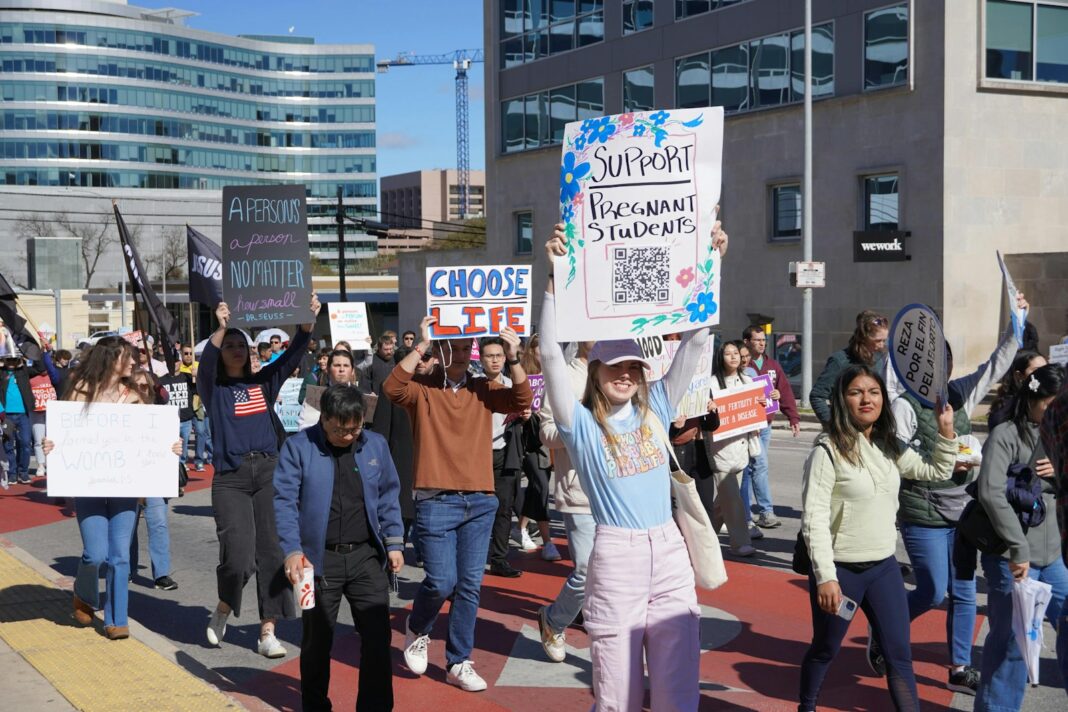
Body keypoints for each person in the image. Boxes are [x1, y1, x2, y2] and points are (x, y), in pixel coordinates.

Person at [539, 221, 721, 711]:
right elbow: (550, 357)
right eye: (614, 364)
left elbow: (698, 340)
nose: (625, 373)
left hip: (669, 550)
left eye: (633, 366)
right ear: (595, 370)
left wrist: (711, 265)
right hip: (616, 553)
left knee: (679, 688)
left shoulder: (657, 406)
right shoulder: (579, 424)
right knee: (616, 693)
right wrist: (554, 281)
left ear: (643, 373)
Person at [385, 317, 531, 692]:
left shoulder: (484, 388)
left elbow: (521, 400)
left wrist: (514, 358)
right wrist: (421, 344)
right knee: (441, 580)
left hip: (480, 500)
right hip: (435, 501)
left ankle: (459, 661)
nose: (464, 355)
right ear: (441, 350)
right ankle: (418, 627)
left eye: (469, 348)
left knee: (469, 586)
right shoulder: (423, 389)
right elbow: (391, 387)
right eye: (456, 348)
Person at [800, 363, 956, 711]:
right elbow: (814, 519)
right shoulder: (826, 451)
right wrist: (826, 578)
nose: (866, 399)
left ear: (883, 399)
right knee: (825, 649)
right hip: (842, 574)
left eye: (873, 392)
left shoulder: (889, 446)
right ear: (842, 400)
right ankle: (806, 707)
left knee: (899, 655)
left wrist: (946, 432)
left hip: (884, 568)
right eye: (856, 392)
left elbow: (936, 471)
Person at [890, 301, 1026, 692]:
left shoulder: (960, 392)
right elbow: (900, 459)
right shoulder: (903, 405)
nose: (939, 368)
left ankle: (959, 667)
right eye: (932, 361)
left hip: (963, 511)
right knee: (932, 591)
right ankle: (885, 632)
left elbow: (994, 367)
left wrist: (1016, 328)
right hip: (923, 511)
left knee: (965, 592)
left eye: (944, 360)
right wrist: (945, 461)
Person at [198, 297, 319, 659]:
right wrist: (220, 327)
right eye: (229, 345)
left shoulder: (266, 382)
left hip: (269, 472)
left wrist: (307, 323)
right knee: (238, 558)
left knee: (273, 552)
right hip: (231, 479)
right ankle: (224, 604)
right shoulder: (214, 389)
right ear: (221, 352)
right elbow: (204, 366)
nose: (237, 350)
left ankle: (268, 630)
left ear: (253, 353)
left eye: (242, 345)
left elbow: (294, 353)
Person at [42, 336, 182, 639]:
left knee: (120, 555)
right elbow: (64, 434)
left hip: (125, 487)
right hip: (89, 485)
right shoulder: (80, 392)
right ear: (110, 358)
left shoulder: (134, 396)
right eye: (126, 356)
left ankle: (117, 620)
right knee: (95, 554)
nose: (133, 362)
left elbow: (151, 439)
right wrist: (51, 443)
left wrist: (171, 446)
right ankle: (84, 592)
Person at [275, 384, 404, 712]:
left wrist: (394, 542)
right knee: (317, 642)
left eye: (355, 428)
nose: (349, 435)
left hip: (365, 557)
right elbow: (285, 502)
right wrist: (291, 550)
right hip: (316, 562)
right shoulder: (299, 447)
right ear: (325, 419)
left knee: (377, 639)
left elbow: (389, 495)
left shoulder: (375, 445)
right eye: (340, 430)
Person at [974, 364, 1068, 710]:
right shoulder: (1006, 435)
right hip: (1013, 557)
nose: (1056, 410)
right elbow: (990, 493)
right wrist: (1017, 547)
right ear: (1032, 399)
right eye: (1050, 404)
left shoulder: (1060, 430)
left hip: (1055, 555)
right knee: (1011, 645)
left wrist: (1059, 472)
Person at [536, 340, 595, 662]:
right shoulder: (564, 378)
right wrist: (579, 427)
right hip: (580, 492)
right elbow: (545, 432)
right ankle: (554, 619)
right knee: (586, 570)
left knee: (620, 569)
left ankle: (601, 619)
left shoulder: (621, 374)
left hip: (622, 492)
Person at [360, 333, 416, 560]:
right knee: (401, 516)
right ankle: (391, 558)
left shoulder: (434, 389)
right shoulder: (388, 389)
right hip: (401, 463)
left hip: (430, 468)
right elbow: (382, 431)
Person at [704, 340, 761, 557]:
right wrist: (709, 407)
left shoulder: (748, 380)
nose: (734, 357)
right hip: (720, 449)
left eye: (736, 353)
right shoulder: (710, 384)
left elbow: (756, 409)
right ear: (720, 357)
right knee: (733, 498)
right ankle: (740, 542)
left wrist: (766, 402)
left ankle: (704, 536)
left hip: (741, 447)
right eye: (728, 354)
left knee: (724, 502)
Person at [742, 326, 801, 530]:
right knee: (758, 466)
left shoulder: (772, 365)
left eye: (763, 340)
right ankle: (765, 511)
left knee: (754, 468)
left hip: (765, 426)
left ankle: (747, 511)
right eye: (757, 339)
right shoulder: (741, 365)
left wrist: (792, 416)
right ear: (747, 342)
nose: (762, 343)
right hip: (746, 427)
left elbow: (783, 390)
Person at [128, 368, 179, 591]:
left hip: (153, 476)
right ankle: (126, 569)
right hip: (127, 477)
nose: (141, 390)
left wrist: (175, 447)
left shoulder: (161, 415)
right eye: (135, 385)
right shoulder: (117, 413)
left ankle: (161, 574)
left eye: (145, 386)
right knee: (127, 525)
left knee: (158, 522)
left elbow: (170, 445)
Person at [513, 333, 560, 562]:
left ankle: (521, 527)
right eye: (542, 347)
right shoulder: (524, 374)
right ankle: (548, 541)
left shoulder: (556, 374)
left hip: (548, 440)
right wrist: (525, 412)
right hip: (529, 439)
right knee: (541, 485)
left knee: (536, 487)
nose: (547, 352)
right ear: (532, 350)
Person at [481, 336, 526, 578]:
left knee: (504, 508)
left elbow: (528, 408)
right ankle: (473, 557)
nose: (495, 360)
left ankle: (499, 559)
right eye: (490, 356)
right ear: (481, 358)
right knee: (476, 508)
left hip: (506, 452)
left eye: (499, 355)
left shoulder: (513, 384)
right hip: (477, 455)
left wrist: (525, 414)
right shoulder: (474, 387)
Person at [809, 310, 889, 425]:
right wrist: (834, 426)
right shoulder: (840, 361)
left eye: (884, 340)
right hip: (846, 429)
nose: (881, 345)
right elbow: (817, 396)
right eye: (877, 341)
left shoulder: (880, 359)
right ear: (863, 337)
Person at [297, 349, 357, 430]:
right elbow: (305, 429)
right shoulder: (315, 395)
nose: (342, 369)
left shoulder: (360, 396)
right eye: (337, 365)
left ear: (352, 371)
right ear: (328, 370)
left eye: (346, 365)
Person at [988, 350, 1047, 431]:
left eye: (1047, 368)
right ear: (1019, 375)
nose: (1045, 374)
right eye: (1037, 370)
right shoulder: (1007, 408)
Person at [1, 353, 35, 484]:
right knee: (8, 445)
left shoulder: (24, 371)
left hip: (23, 414)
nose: (11, 361)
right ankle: (12, 473)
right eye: (8, 358)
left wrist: (27, 357)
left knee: (26, 443)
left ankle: (23, 472)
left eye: (13, 359)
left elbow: (40, 367)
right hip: (6, 415)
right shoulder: (1, 373)